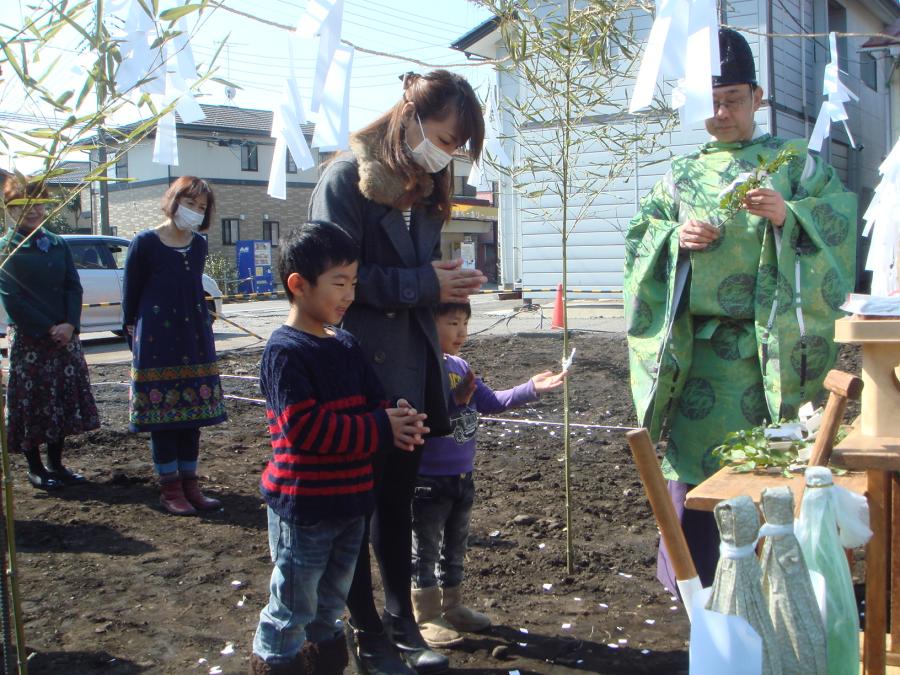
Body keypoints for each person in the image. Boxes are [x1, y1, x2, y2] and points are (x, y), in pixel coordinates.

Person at [623, 28, 858, 593]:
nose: (721, 112)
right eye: (711, 102)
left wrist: (787, 216)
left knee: (768, 471)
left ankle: (777, 587)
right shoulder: (679, 176)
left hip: (769, 358)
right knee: (698, 478)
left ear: (758, 98)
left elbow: (838, 222)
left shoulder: (794, 165)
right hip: (697, 355)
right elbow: (639, 239)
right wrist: (674, 235)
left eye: (732, 99)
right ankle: (696, 589)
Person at [308, 69, 486, 675]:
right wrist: (424, 283)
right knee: (358, 508)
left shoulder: (424, 181)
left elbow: (410, 277)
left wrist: (443, 285)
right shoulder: (346, 180)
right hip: (359, 370)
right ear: (408, 116)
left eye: (459, 146)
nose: (450, 153)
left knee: (396, 504)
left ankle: (401, 618)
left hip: (412, 367)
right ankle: (366, 630)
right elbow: (335, 283)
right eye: (444, 137)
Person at [250, 221, 430, 675]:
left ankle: (325, 664)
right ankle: (278, 664)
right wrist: (380, 425)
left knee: (330, 603)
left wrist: (400, 416)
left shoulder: (346, 343)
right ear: (299, 285)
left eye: (353, 282)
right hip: (305, 507)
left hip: (351, 503)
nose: (349, 294)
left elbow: (375, 402)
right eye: (339, 284)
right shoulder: (285, 351)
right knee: (294, 604)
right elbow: (305, 430)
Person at [410, 302, 566, 647]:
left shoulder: (460, 365)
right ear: (425, 323)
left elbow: (492, 401)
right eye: (452, 322)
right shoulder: (418, 367)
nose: (462, 331)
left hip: (462, 477)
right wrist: (456, 401)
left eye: (465, 322)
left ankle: (452, 606)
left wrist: (531, 388)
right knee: (424, 549)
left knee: (455, 545)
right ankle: (424, 616)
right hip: (426, 481)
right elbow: (423, 415)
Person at [122, 176, 227, 516]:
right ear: (173, 200)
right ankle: (170, 489)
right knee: (163, 417)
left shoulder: (198, 245)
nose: (195, 212)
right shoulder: (145, 243)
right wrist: (132, 335)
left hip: (193, 335)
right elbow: (131, 295)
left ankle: (190, 484)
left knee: (191, 416)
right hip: (156, 340)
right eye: (190, 203)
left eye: (201, 207)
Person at [0, 175, 99, 490]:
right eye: (25, 205)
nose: (34, 210)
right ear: (10, 209)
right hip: (31, 340)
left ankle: (57, 463)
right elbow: (11, 297)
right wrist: (47, 328)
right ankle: (36, 467)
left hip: (64, 338)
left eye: (40, 204)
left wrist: (70, 324)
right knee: (32, 403)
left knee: (60, 401)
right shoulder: (7, 248)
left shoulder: (56, 243)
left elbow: (73, 285)